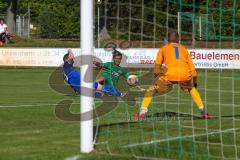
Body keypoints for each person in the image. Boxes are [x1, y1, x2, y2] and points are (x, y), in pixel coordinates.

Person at [136, 31, 210, 119]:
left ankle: (142, 113)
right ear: (178, 40)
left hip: (168, 75)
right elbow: (193, 70)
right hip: (184, 75)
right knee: (192, 89)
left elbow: (157, 67)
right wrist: (194, 81)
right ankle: (204, 113)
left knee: (151, 90)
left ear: (167, 40)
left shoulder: (163, 48)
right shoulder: (184, 49)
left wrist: (156, 78)